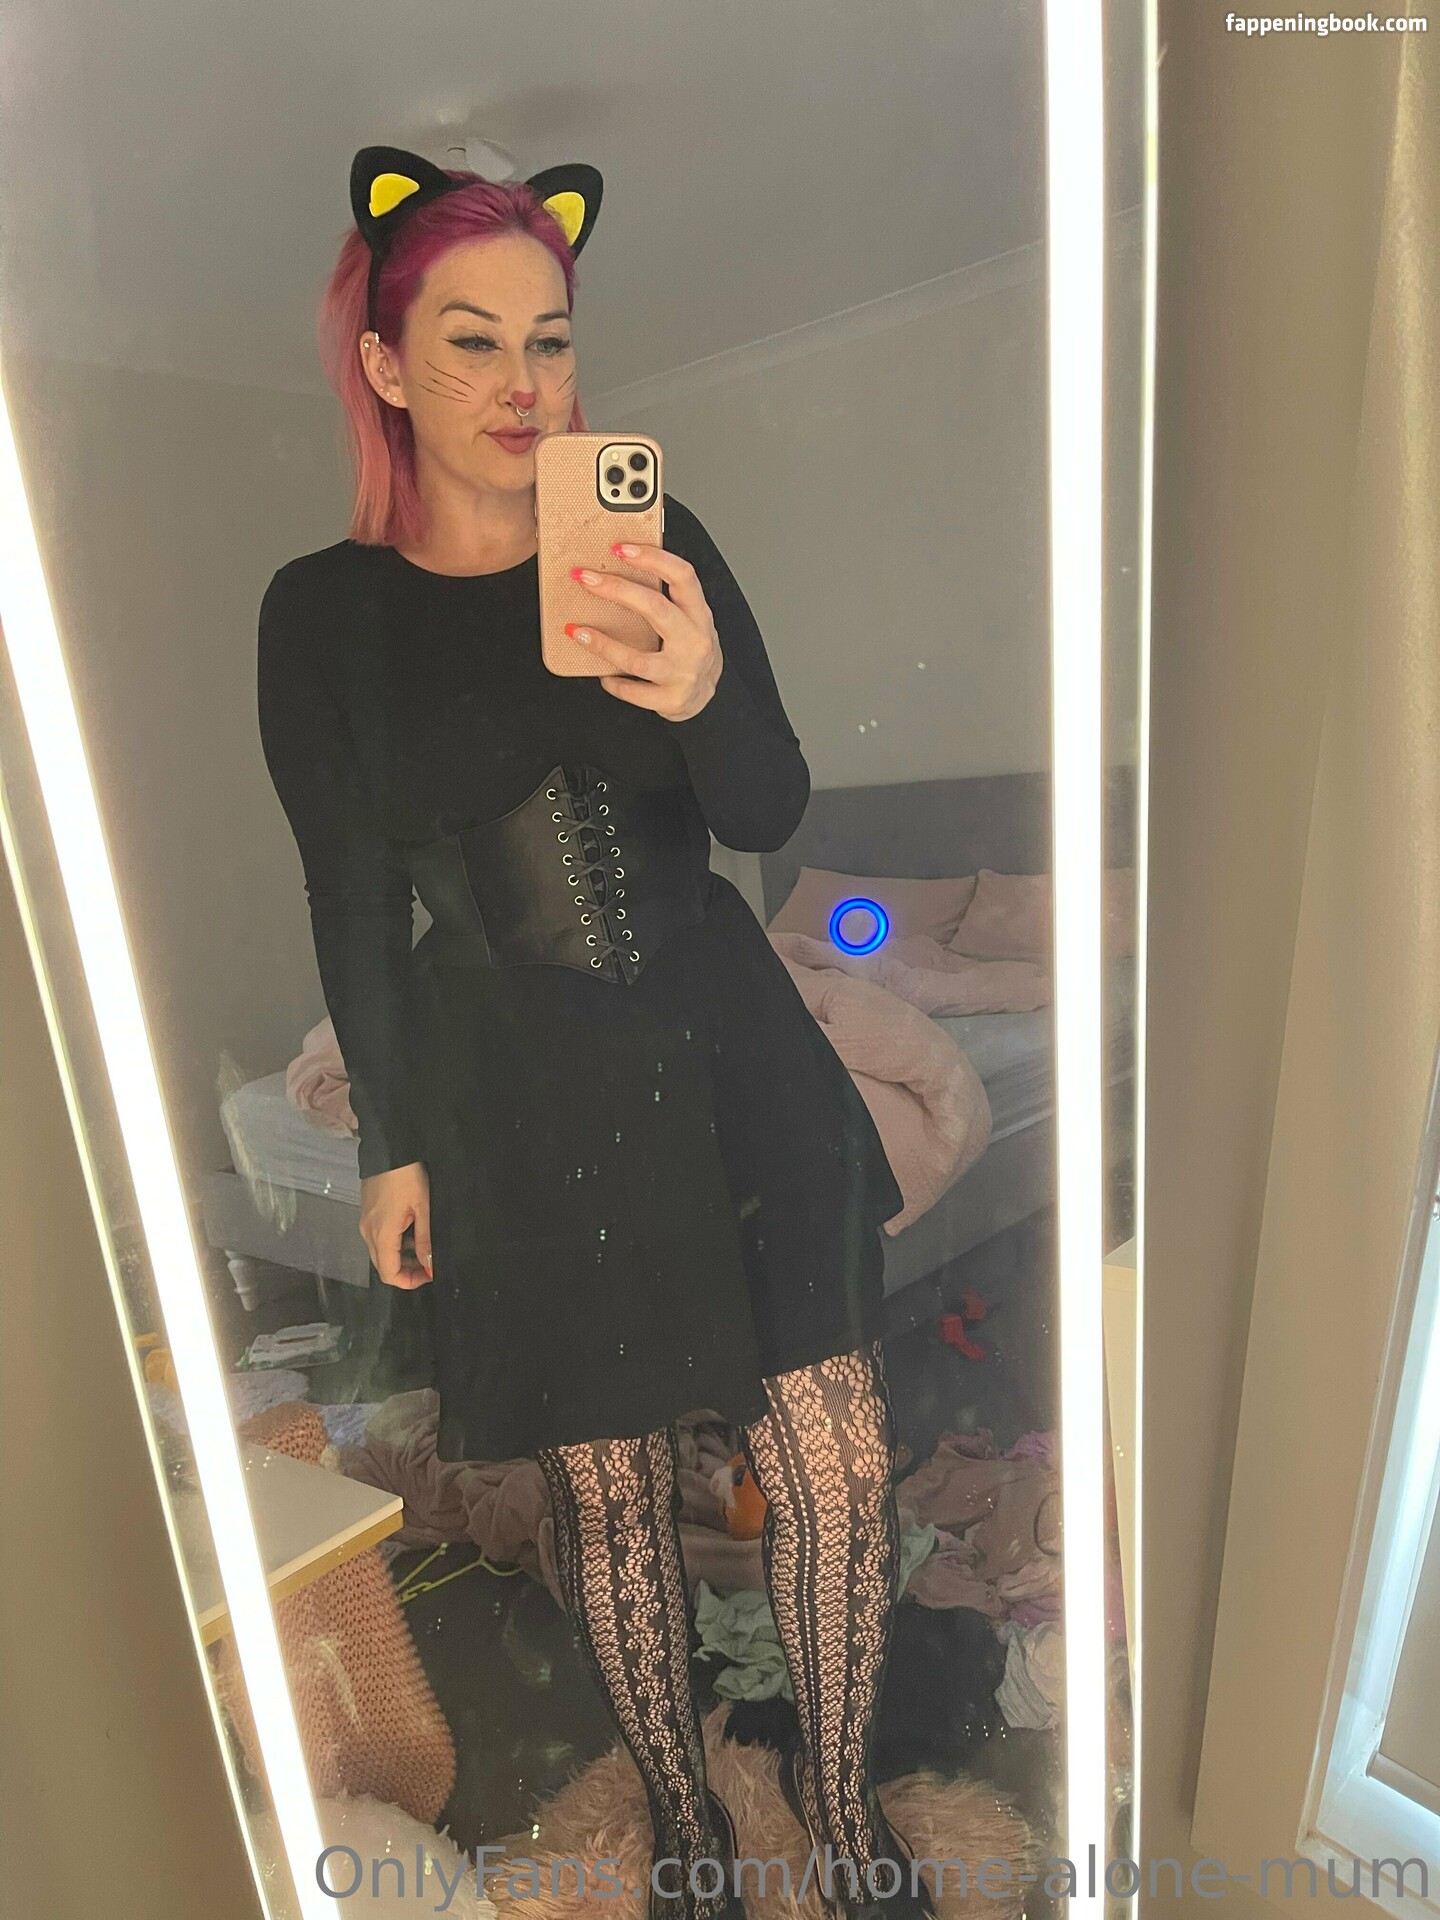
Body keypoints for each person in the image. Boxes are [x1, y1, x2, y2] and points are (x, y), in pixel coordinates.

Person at [257, 145, 936, 1920]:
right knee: (612, 1489)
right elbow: (350, 894)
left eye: (550, 340)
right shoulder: (325, 613)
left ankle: (844, 1812)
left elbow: (770, 807)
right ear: (388, 365)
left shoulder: (658, 539)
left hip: (725, 1040)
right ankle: (688, 1825)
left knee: (835, 1450)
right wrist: (389, 1138)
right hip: (514, 1081)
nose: (523, 383)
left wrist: (703, 692)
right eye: (472, 341)